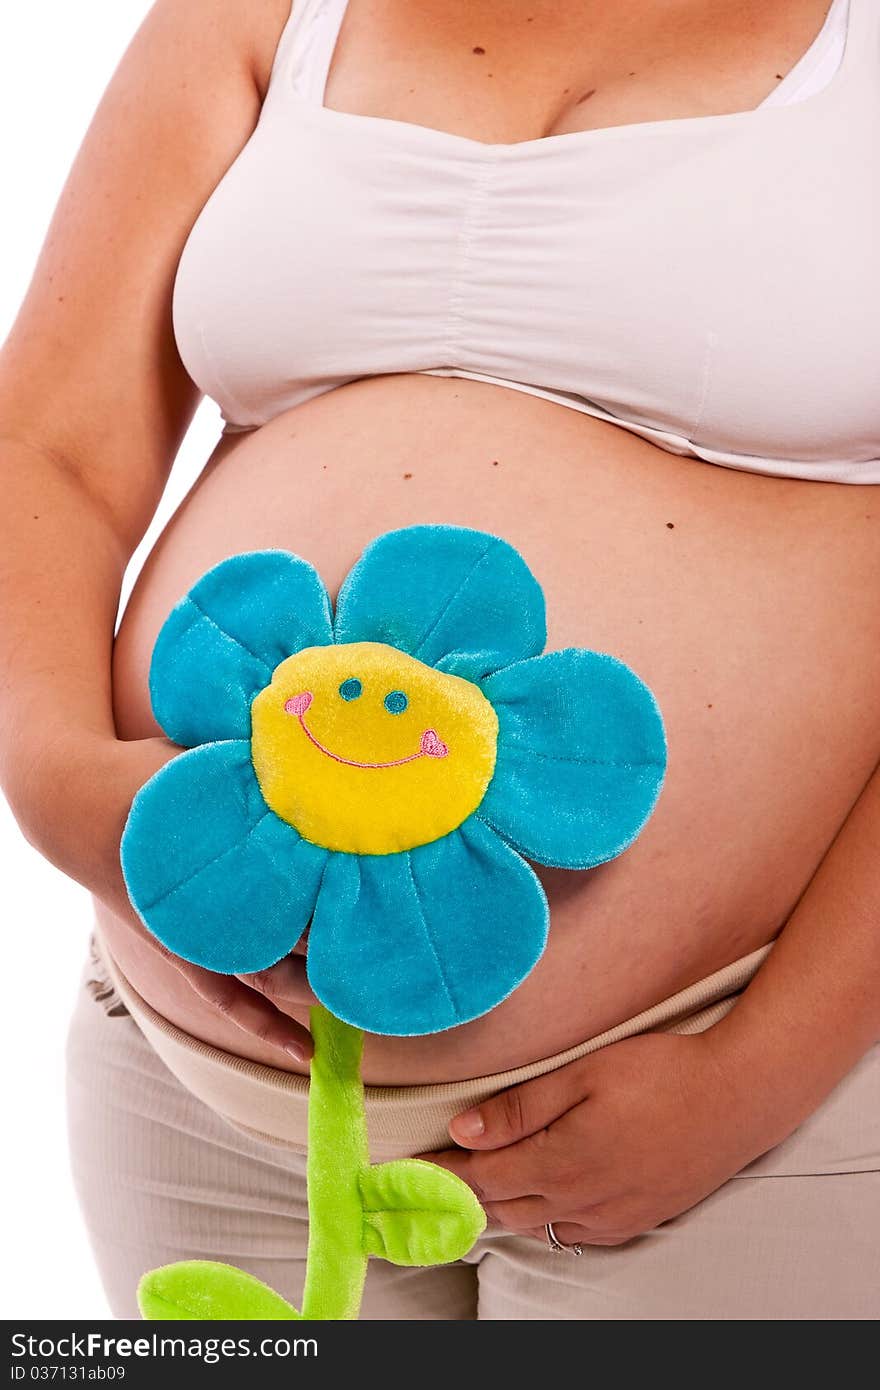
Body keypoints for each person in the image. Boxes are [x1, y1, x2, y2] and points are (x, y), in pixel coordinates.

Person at [1, 0, 878, 1320]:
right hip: (208, 1115)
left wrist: (754, 1075)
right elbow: (46, 454)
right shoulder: (258, 17)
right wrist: (75, 797)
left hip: (723, 1110)